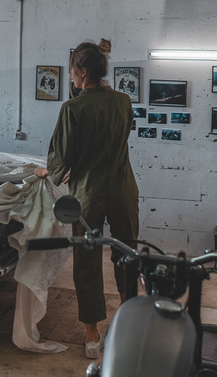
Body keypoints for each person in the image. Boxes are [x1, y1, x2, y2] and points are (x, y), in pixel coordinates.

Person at [35, 38, 139, 359]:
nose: (70, 79)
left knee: (87, 261)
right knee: (126, 251)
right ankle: (129, 320)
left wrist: (49, 172)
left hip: (89, 194)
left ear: (81, 72)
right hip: (123, 188)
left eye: (71, 73)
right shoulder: (123, 101)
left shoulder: (73, 108)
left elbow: (58, 164)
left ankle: (92, 337)